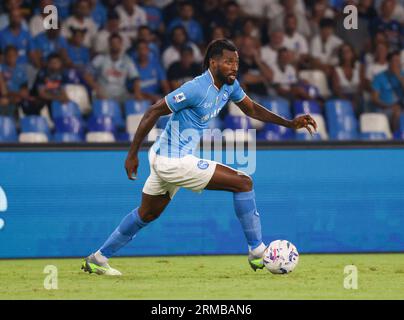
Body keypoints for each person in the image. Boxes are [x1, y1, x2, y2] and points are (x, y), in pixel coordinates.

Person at [81, 39, 317, 276]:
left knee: (148, 213)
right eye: (228, 62)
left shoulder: (229, 85)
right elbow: (153, 110)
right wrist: (132, 154)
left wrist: (288, 123)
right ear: (213, 63)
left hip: (169, 158)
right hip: (172, 161)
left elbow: (252, 109)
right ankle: (257, 251)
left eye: (236, 62)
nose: (234, 67)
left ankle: (98, 258)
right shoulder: (195, 88)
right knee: (243, 182)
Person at [371, 50, 404, 132]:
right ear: (389, 63)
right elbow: (374, 99)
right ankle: (396, 140)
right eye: (394, 61)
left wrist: (399, 77)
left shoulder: (402, 75)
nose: (397, 63)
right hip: (385, 108)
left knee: (398, 111)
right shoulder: (379, 77)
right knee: (397, 112)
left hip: (401, 107)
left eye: (398, 61)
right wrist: (388, 106)